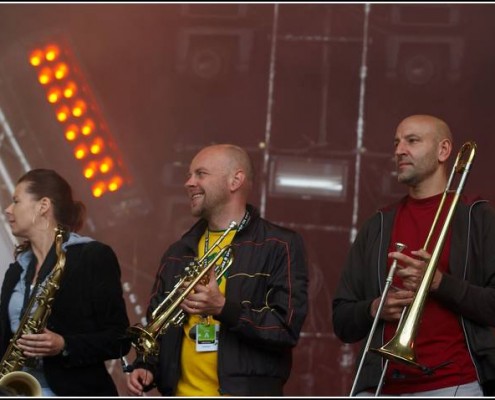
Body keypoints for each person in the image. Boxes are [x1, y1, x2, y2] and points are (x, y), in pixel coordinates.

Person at [126, 143, 308, 396]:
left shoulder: (279, 245)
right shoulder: (178, 251)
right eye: (189, 175)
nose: (189, 183)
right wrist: (147, 366)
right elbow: (158, 323)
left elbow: (285, 328)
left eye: (200, 174)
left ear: (235, 180)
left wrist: (223, 308)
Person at [332, 114, 495, 397]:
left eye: (412, 141)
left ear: (444, 151)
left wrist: (439, 283)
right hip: (380, 386)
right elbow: (342, 320)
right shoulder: (378, 224)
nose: (399, 150)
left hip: (454, 384)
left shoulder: (477, 218)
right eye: (396, 143)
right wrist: (374, 308)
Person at [0, 168, 131, 396]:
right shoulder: (17, 270)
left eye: (16, 201)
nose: (8, 210)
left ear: (43, 206)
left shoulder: (92, 256)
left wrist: (64, 345)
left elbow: (119, 339)